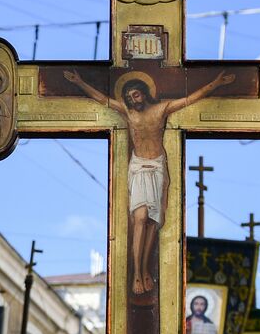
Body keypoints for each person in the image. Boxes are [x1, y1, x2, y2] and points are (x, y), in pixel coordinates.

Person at [62, 68, 234, 296]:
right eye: (130, 97)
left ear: (144, 93)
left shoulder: (161, 109)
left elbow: (189, 99)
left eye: (137, 95)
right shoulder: (127, 112)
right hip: (139, 168)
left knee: (153, 222)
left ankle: (144, 270)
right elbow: (102, 99)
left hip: (157, 167)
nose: (134, 100)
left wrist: (216, 83)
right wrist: (79, 81)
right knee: (140, 217)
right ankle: (136, 272)